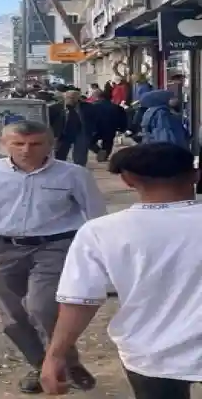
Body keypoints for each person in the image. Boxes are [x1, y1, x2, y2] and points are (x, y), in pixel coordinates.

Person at [0, 120, 106, 394]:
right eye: (18, 143)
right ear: (4, 145)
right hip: (1, 249)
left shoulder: (74, 175)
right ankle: (42, 364)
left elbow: (97, 217)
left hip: (56, 246)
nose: (26, 150)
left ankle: (60, 362)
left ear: (50, 145)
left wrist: (101, 257)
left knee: (44, 306)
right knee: (14, 315)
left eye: (35, 144)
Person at [42, 143, 202, 398]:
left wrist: (55, 355)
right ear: (196, 174)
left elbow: (79, 302)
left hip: (149, 353)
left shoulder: (102, 232)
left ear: (128, 180)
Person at [49, 90, 96, 166]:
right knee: (60, 155)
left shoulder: (87, 107)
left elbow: (94, 119)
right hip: (63, 133)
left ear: (78, 98)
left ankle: (79, 168)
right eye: (68, 97)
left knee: (80, 156)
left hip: (80, 132)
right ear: (64, 97)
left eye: (73, 98)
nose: (70, 99)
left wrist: (93, 130)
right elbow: (49, 123)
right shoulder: (54, 108)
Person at [87, 89, 127, 162]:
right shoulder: (116, 107)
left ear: (98, 97)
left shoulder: (93, 106)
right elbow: (123, 119)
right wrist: (122, 128)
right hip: (111, 128)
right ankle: (104, 156)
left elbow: (89, 118)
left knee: (89, 141)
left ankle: (100, 152)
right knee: (108, 143)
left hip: (97, 128)